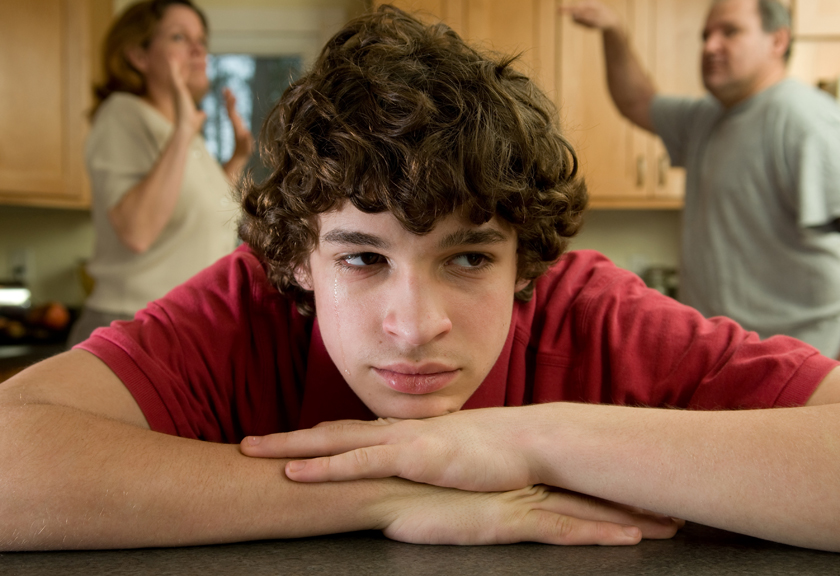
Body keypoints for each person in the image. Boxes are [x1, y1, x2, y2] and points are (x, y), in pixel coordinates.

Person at [1, 5, 839, 552]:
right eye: (363, 258)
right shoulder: (247, 308)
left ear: (526, 265)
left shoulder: (590, 313)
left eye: (468, 257)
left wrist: (519, 442)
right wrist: (388, 488)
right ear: (297, 258)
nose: (414, 324)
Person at [562, 0, 840, 357]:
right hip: (730, 356)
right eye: (706, 35)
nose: (710, 46)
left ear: (778, 41)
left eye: (730, 31)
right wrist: (614, 31)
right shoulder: (706, 118)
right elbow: (637, 101)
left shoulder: (805, 119)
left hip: (801, 360)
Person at [66, 0, 253, 347]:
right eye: (180, 38)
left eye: (202, 39)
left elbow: (201, 209)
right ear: (138, 55)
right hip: (130, 329)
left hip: (184, 327)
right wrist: (182, 131)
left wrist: (237, 159)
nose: (199, 49)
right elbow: (137, 230)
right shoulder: (123, 115)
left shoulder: (183, 130)